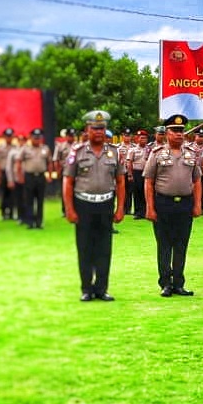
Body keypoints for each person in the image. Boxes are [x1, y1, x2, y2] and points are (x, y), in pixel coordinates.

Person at [63, 111, 125, 301]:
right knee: (85, 248)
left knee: (104, 248)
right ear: (87, 130)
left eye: (102, 128)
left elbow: (121, 182)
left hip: (105, 205)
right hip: (84, 206)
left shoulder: (114, 152)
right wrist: (70, 209)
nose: (98, 132)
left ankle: (101, 289)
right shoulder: (77, 152)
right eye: (95, 128)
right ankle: (86, 289)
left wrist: (120, 207)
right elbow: (68, 182)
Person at [145, 114, 202, 297]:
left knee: (181, 245)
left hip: (185, 204)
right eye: (175, 131)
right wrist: (150, 207)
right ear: (167, 133)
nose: (179, 134)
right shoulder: (157, 154)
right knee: (164, 245)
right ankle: (165, 284)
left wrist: (198, 204)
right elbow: (148, 181)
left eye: (181, 131)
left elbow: (197, 180)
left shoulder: (191, 154)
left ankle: (178, 283)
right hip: (163, 204)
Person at [18, 128, 50, 229]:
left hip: (41, 176)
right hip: (29, 176)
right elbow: (19, 162)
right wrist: (20, 176)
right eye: (35, 138)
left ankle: (39, 222)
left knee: (40, 200)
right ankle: (30, 222)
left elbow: (49, 163)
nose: (37, 140)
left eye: (38, 138)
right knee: (29, 200)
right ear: (31, 138)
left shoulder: (45, 148)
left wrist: (49, 175)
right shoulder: (25, 149)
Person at [0, 128, 18, 221]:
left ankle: (11, 212)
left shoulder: (15, 148)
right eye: (7, 136)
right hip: (2, 172)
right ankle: (3, 212)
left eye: (11, 136)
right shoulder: (0, 148)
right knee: (4, 193)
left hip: (12, 172)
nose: (9, 138)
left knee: (13, 194)